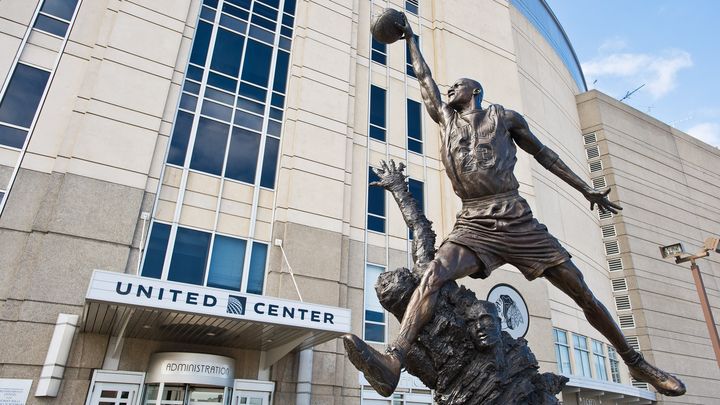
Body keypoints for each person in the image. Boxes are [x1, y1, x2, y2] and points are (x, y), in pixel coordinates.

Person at [343, 13, 686, 397]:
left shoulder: (503, 118)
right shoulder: (447, 121)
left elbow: (546, 155)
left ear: (474, 91)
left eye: (457, 86)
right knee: (434, 274)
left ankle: (636, 363)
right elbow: (424, 80)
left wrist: (586, 189)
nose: (450, 89)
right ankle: (394, 360)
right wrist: (411, 40)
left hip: (515, 217)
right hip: (474, 221)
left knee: (582, 292)